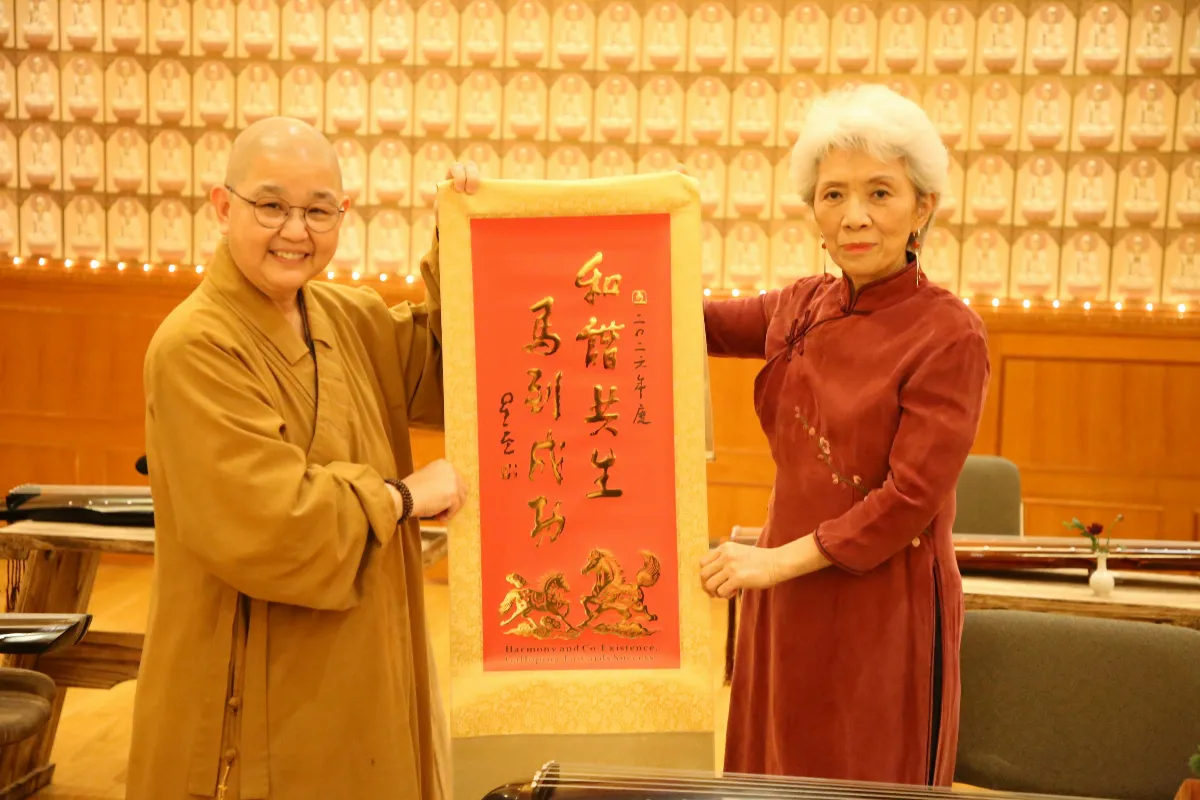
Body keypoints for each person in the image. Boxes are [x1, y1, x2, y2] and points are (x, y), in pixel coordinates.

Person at [126, 116, 479, 800]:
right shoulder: (193, 346)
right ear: (222, 206)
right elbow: (270, 521)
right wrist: (403, 497)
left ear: (342, 213)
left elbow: (455, 364)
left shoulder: (348, 318)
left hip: (361, 663)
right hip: (253, 681)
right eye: (271, 206)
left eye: (320, 210)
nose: (297, 230)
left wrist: (466, 237)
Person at [699, 85, 990, 787]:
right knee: (776, 768)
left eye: (880, 193)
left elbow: (909, 500)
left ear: (924, 206)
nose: (854, 216)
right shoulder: (799, 303)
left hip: (879, 603)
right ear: (813, 212)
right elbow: (675, 310)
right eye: (833, 195)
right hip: (782, 591)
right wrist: (512, 213)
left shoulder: (949, 333)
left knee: (855, 774)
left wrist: (772, 563)